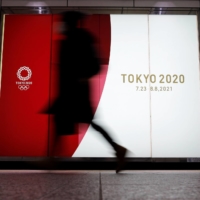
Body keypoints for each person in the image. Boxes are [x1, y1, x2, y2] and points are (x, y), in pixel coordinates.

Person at [50, 11, 127, 173]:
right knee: (72, 121)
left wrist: (81, 78)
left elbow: (92, 65)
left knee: (69, 121)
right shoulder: (77, 38)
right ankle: (50, 159)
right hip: (73, 90)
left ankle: (50, 159)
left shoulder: (77, 39)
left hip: (75, 91)